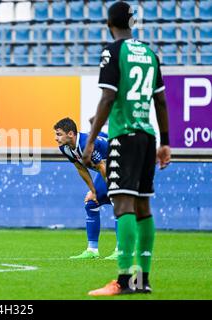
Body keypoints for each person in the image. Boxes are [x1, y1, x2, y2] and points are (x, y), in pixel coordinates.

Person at [82, 1, 171, 296]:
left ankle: (121, 281)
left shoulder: (112, 51)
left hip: (124, 137)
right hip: (148, 138)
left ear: (109, 24)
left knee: (122, 205)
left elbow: (108, 97)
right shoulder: (148, 53)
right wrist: (166, 142)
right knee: (144, 206)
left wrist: (92, 138)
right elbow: (160, 101)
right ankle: (143, 279)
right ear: (132, 23)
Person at [54, 117, 118, 260]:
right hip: (107, 168)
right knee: (91, 203)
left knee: (119, 204)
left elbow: (102, 166)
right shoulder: (65, 148)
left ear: (70, 134)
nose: (55, 138)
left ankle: (122, 250)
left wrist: (113, 189)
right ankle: (92, 250)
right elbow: (80, 168)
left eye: (58, 134)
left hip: (123, 164)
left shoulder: (85, 143)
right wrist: (93, 192)